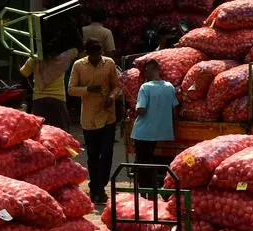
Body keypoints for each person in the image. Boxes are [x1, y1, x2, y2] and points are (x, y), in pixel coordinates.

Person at [68, 38, 121, 204]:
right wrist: (87, 89)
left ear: (102, 53)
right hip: (89, 118)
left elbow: (118, 85)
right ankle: (95, 187)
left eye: (98, 56)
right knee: (92, 155)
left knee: (106, 152)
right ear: (87, 54)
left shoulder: (109, 63)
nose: (96, 58)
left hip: (107, 115)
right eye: (93, 56)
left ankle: (100, 186)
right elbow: (71, 90)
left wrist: (112, 97)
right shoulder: (78, 66)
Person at [131, 60, 178, 193]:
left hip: (143, 132)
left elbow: (141, 109)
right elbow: (174, 110)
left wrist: (134, 108)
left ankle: (144, 191)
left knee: (141, 162)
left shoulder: (145, 87)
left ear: (150, 70)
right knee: (149, 160)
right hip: (159, 132)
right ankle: (150, 189)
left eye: (145, 71)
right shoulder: (169, 87)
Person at [20, 43, 75, 131]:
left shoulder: (34, 58)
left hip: (39, 99)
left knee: (39, 132)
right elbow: (75, 50)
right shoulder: (63, 57)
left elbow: (24, 73)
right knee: (62, 132)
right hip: (58, 99)